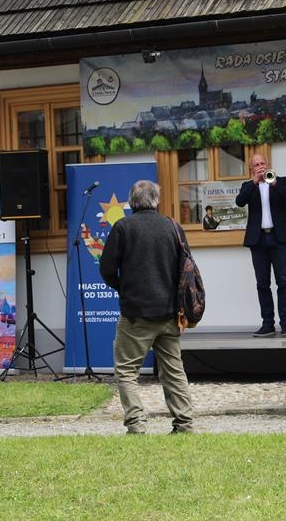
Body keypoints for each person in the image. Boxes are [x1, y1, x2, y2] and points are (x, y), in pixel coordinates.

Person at [99, 180, 194, 435]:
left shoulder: (123, 227)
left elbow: (106, 268)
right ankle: (184, 423)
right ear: (156, 200)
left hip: (135, 314)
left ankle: (136, 424)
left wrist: (123, 288)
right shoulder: (172, 226)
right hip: (169, 313)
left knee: (126, 370)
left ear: (131, 202)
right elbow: (185, 271)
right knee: (174, 371)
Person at [235, 154, 286, 337]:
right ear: (252, 169)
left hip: (280, 238)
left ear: (268, 165)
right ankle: (268, 324)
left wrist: (274, 183)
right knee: (262, 284)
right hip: (258, 239)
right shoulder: (248, 186)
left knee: (283, 281)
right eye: (256, 165)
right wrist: (254, 182)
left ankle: (285, 324)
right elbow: (240, 202)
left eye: (263, 163)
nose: (260, 166)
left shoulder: (281, 181)